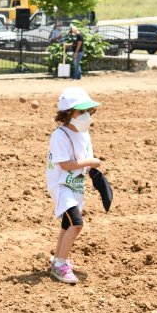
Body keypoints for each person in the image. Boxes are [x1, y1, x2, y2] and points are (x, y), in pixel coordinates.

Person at [46, 87, 101, 284]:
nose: (86, 115)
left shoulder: (83, 133)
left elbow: (85, 159)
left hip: (75, 186)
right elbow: (65, 164)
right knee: (76, 224)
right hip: (61, 186)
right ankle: (60, 265)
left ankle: (57, 259)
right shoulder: (60, 135)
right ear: (69, 114)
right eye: (81, 111)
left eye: (88, 111)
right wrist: (91, 163)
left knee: (67, 224)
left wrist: (95, 174)